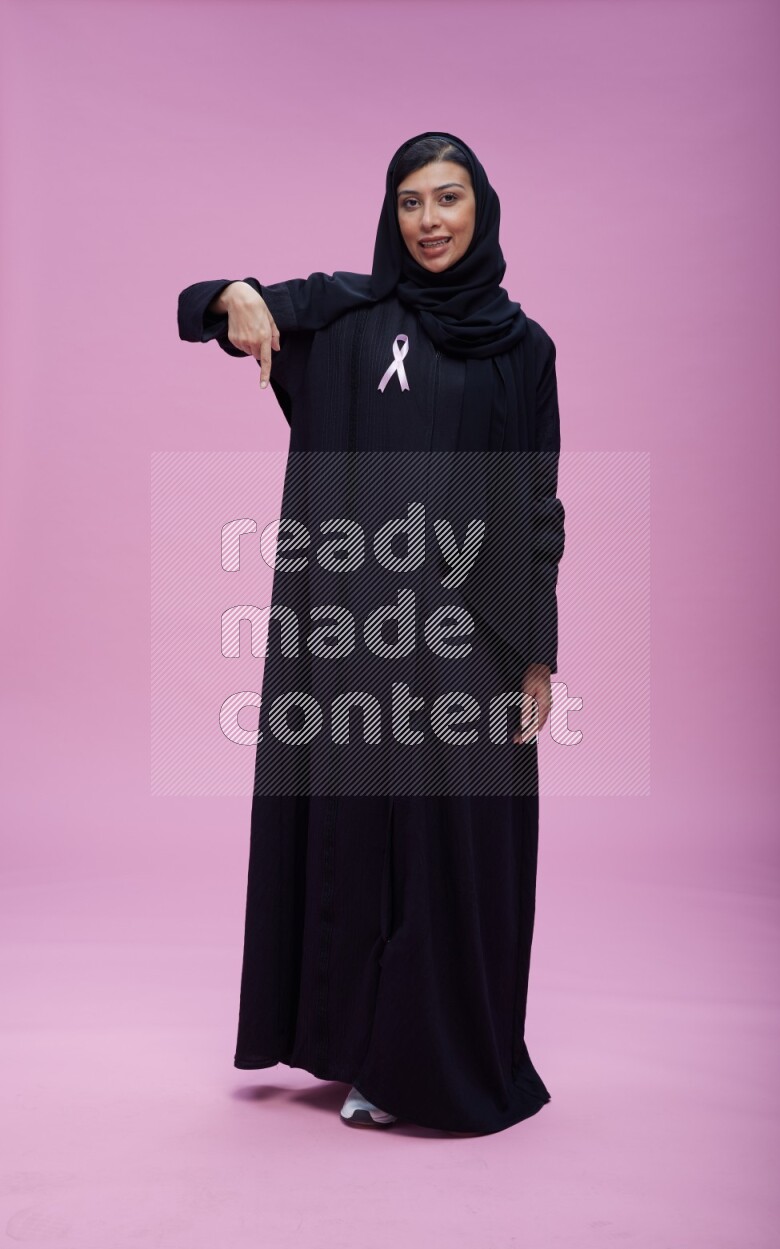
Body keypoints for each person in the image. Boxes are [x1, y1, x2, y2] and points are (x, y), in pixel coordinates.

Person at [177, 131, 566, 1135]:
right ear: (389, 214)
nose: (429, 221)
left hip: (467, 637)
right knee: (358, 835)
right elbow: (206, 310)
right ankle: (361, 1050)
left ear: (479, 208)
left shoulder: (522, 349)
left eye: (447, 199)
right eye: (409, 203)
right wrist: (239, 293)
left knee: (448, 845)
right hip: (350, 630)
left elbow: (534, 502)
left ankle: (429, 1059)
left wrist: (536, 648)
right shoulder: (350, 312)